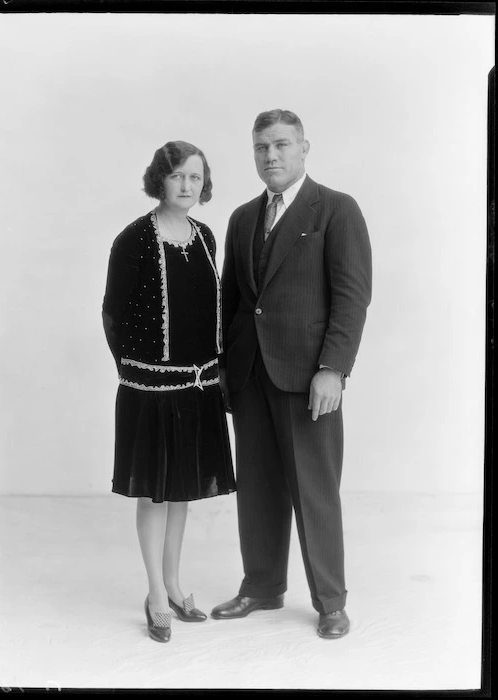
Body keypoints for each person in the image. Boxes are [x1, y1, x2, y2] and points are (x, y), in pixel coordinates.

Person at [212, 109, 372, 639]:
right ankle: (262, 587)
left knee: (314, 490)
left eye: (281, 145)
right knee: (257, 486)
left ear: (305, 147)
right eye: (261, 147)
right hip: (249, 376)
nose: (270, 156)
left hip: (309, 380)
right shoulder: (240, 218)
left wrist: (333, 369)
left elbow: (352, 298)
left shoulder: (337, 209)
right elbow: (232, 302)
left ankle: (330, 601)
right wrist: (222, 368)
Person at [102, 141, 236, 644]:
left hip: (197, 387)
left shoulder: (204, 235)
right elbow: (112, 313)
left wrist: (212, 371)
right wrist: (136, 374)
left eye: (195, 178)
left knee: (182, 492)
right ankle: (155, 591)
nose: (187, 185)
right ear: (160, 179)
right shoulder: (134, 238)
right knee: (155, 493)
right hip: (150, 389)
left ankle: (176, 583)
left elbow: (208, 311)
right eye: (178, 176)